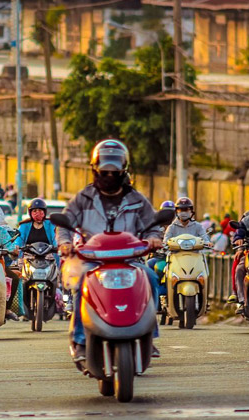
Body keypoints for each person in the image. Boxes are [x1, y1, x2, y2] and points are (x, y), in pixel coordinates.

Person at [55, 139, 163, 361]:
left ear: (124, 168)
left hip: (130, 260)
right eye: (105, 168)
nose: (110, 174)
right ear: (95, 168)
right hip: (93, 260)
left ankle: (149, 335)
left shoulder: (137, 199)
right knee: (80, 286)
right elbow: (64, 222)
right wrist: (64, 243)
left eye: (115, 168)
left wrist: (153, 238)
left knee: (151, 277)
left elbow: (152, 224)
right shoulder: (83, 198)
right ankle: (80, 340)